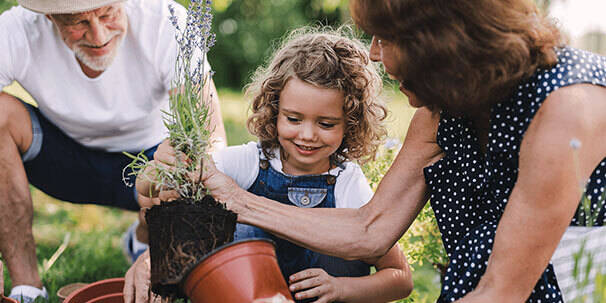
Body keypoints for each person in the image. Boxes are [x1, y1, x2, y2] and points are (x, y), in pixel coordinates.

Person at [145, 0, 605, 302]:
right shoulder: (446, 106)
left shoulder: (567, 109)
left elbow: (503, 290)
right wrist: (228, 202)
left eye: (385, 38)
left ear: (438, 43)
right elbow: (371, 228)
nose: (374, 54)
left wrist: (239, 201)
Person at [125, 29, 413, 303]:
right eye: (293, 119)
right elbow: (147, 187)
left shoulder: (347, 182)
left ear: (350, 124)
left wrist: (342, 288)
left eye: (326, 124)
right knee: (235, 229)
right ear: (274, 112)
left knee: (342, 246)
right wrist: (162, 165)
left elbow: (400, 278)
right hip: (247, 294)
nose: (308, 135)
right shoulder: (250, 161)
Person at [0, 0, 226, 301]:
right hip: (63, 160)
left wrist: (162, 249)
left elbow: (210, 138)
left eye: (108, 14)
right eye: (78, 23)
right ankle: (27, 288)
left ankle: (143, 239)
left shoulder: (165, 20)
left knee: (187, 161)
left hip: (148, 162)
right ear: (48, 16)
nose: (98, 36)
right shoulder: (16, 28)